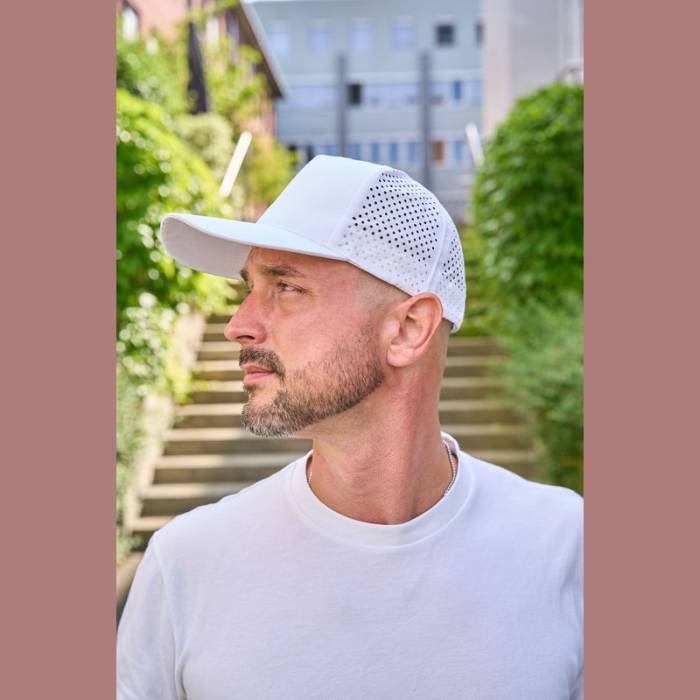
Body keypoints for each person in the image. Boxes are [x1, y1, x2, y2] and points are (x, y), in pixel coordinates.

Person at [117, 155, 583, 699]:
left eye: (286, 287)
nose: (238, 325)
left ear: (408, 329)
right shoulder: (185, 563)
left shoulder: (569, 547)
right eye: (249, 288)